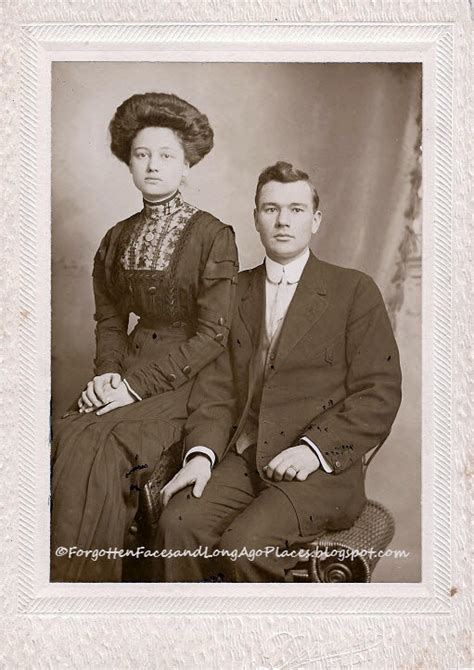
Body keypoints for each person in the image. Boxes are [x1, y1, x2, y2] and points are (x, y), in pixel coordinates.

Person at [155, 161, 402, 582]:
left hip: (319, 472)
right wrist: (200, 456)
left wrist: (314, 449)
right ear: (255, 218)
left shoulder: (354, 290)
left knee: (241, 549)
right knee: (176, 527)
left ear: (316, 219)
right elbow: (217, 392)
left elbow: (379, 393)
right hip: (243, 460)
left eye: (296, 209)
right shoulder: (235, 292)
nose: (283, 220)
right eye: (270, 209)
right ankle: (191, 644)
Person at [50, 92, 238, 582]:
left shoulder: (213, 236)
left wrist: (133, 387)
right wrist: (108, 373)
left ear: (186, 166)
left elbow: (213, 335)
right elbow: (110, 320)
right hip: (128, 367)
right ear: (129, 163)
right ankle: (64, 592)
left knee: (104, 437)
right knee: (70, 429)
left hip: (186, 377)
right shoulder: (115, 238)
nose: (153, 166)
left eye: (166, 155)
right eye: (142, 154)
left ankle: (95, 592)